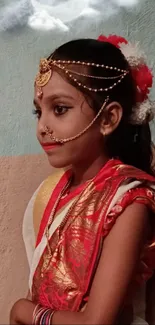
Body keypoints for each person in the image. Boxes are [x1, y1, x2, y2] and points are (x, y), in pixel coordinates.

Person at [10, 35, 155, 325]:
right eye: (38, 112)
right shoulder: (54, 189)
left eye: (59, 109)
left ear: (108, 119)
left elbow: (96, 321)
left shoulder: (128, 202)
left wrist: (23, 311)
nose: (42, 127)